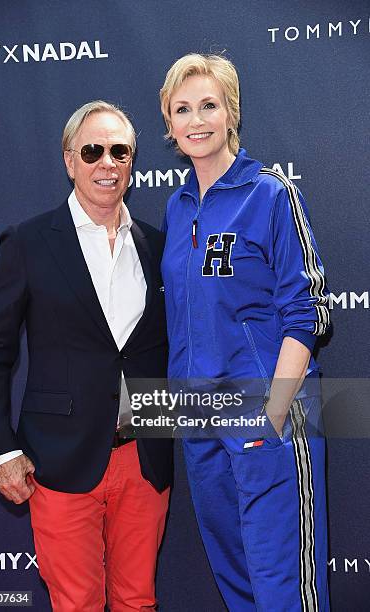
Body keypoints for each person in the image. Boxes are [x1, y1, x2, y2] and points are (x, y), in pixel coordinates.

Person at [0, 100, 172, 612]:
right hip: (57, 460)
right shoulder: (29, 242)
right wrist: (1, 450)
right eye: (92, 150)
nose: (107, 162)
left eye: (119, 151)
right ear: (69, 160)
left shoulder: (156, 244)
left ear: (132, 162)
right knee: (75, 603)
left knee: (137, 602)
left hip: (143, 458)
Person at [160, 54, 330, 611]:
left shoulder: (271, 193)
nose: (196, 120)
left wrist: (274, 413)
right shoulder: (177, 206)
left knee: (285, 590)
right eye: (182, 109)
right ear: (169, 123)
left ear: (231, 112)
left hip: (267, 414)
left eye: (208, 105)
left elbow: (307, 314)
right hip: (202, 421)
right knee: (237, 584)